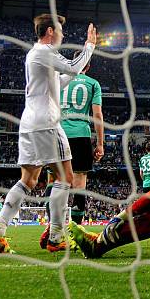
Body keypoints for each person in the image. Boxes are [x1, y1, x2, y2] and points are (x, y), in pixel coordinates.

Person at [0, 14, 96, 253]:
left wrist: (75, 70)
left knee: (29, 180)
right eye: (61, 32)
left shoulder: (35, 54)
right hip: (47, 122)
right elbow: (73, 66)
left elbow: (61, 80)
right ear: (50, 32)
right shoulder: (45, 52)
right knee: (66, 177)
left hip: (29, 123)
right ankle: (56, 236)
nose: (63, 36)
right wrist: (90, 47)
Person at [39, 53, 104, 249]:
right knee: (79, 184)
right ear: (89, 65)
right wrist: (100, 143)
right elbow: (97, 114)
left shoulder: (59, 80)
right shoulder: (93, 83)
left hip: (57, 134)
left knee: (54, 181)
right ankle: (77, 232)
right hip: (80, 135)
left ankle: (52, 228)